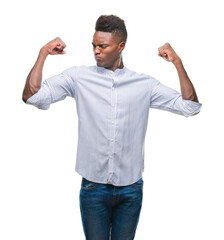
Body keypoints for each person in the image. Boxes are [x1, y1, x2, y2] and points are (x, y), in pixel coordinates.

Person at [22, 15, 201, 240]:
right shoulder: (78, 77)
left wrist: (177, 62)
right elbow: (32, 96)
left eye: (102, 46)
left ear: (121, 46)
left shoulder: (144, 85)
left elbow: (190, 107)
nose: (96, 50)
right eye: (94, 45)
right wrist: (43, 53)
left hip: (131, 189)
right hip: (93, 189)